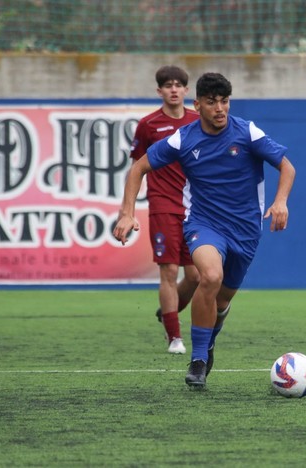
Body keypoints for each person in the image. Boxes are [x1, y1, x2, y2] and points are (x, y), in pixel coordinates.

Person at [115, 72, 296, 388]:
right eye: (212, 102)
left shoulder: (247, 132)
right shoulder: (183, 139)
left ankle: (208, 340)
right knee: (209, 277)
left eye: (224, 101)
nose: (220, 109)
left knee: (223, 300)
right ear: (197, 105)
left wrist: (281, 201)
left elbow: (286, 165)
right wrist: (127, 213)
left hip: (245, 231)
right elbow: (138, 168)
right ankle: (198, 360)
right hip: (204, 225)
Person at [128, 65, 200, 355]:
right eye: (167, 85)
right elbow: (137, 166)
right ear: (159, 91)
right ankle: (175, 337)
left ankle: (167, 311)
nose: (173, 89)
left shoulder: (198, 121)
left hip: (196, 207)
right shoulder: (148, 125)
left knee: (196, 276)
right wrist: (128, 210)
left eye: (178, 84)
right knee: (169, 271)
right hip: (162, 205)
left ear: (186, 90)